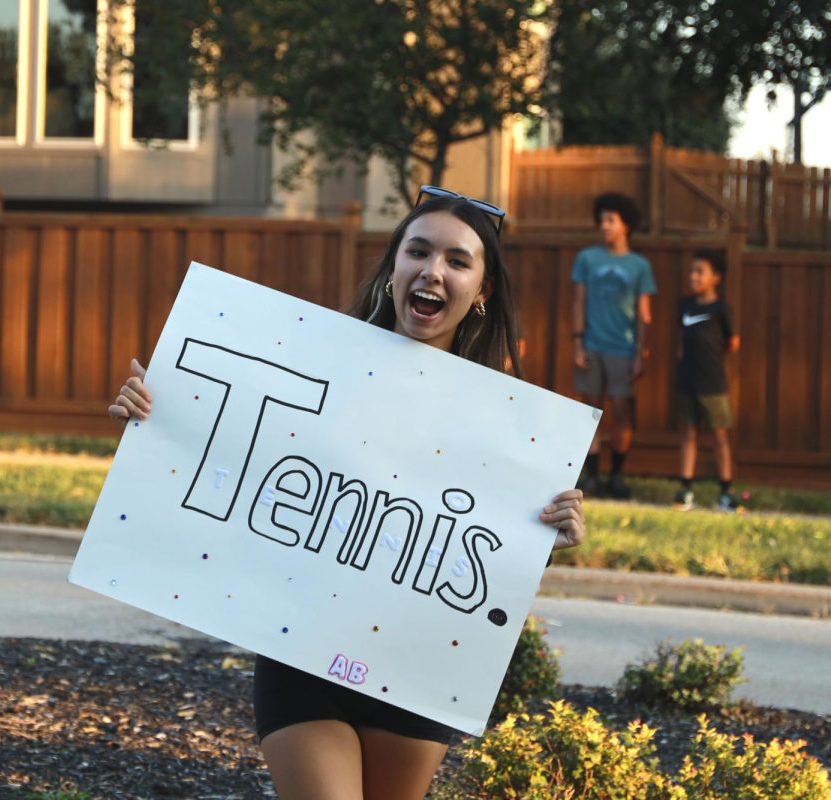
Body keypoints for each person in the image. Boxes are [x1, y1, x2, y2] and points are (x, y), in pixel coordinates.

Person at [108, 186, 588, 800]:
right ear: (394, 267)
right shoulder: (314, 364)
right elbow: (232, 449)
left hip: (412, 665)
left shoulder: (510, 428)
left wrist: (551, 533)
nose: (432, 270)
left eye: (457, 260)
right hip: (301, 652)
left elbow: (484, 548)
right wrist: (161, 415)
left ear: (481, 292)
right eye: (418, 251)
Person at [571, 192, 656, 499]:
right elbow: (578, 301)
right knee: (590, 413)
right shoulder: (587, 259)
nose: (604, 226)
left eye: (611, 220)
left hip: (624, 350)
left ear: (626, 225)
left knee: (622, 414)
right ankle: (591, 476)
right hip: (591, 345)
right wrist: (578, 342)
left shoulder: (639, 266)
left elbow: (644, 313)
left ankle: (617, 476)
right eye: (601, 220)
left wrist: (641, 352)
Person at [673, 250, 741, 512]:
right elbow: (682, 340)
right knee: (688, 434)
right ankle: (685, 491)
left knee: (720, 436)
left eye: (700, 271)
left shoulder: (721, 309)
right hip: (686, 381)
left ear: (716, 277)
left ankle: (725, 492)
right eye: (692, 271)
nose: (693, 276)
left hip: (713, 383)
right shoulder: (685, 306)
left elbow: (732, 343)